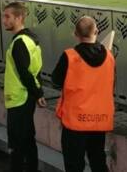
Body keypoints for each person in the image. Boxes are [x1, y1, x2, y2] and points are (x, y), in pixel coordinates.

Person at [52, 15, 115, 172]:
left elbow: (56, 80)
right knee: (98, 161)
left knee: (74, 164)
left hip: (75, 121)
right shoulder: (109, 57)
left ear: (75, 34)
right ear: (97, 32)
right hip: (99, 120)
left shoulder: (69, 56)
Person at [2, 1, 46, 172]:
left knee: (17, 143)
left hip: (19, 98)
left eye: (8, 17)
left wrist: (37, 93)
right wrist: (38, 92)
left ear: (19, 18)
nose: (4, 21)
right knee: (27, 140)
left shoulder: (20, 42)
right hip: (26, 96)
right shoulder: (29, 39)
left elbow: (24, 72)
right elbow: (35, 70)